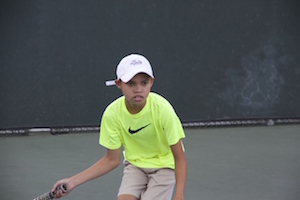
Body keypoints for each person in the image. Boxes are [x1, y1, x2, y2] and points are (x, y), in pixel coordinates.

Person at [52, 54, 187, 200]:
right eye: (131, 83)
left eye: (144, 83)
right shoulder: (112, 114)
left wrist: (178, 196)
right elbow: (111, 159)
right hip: (135, 166)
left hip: (165, 166)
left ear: (151, 82)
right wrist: (73, 181)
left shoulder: (163, 109)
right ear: (118, 84)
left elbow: (179, 158)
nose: (138, 89)